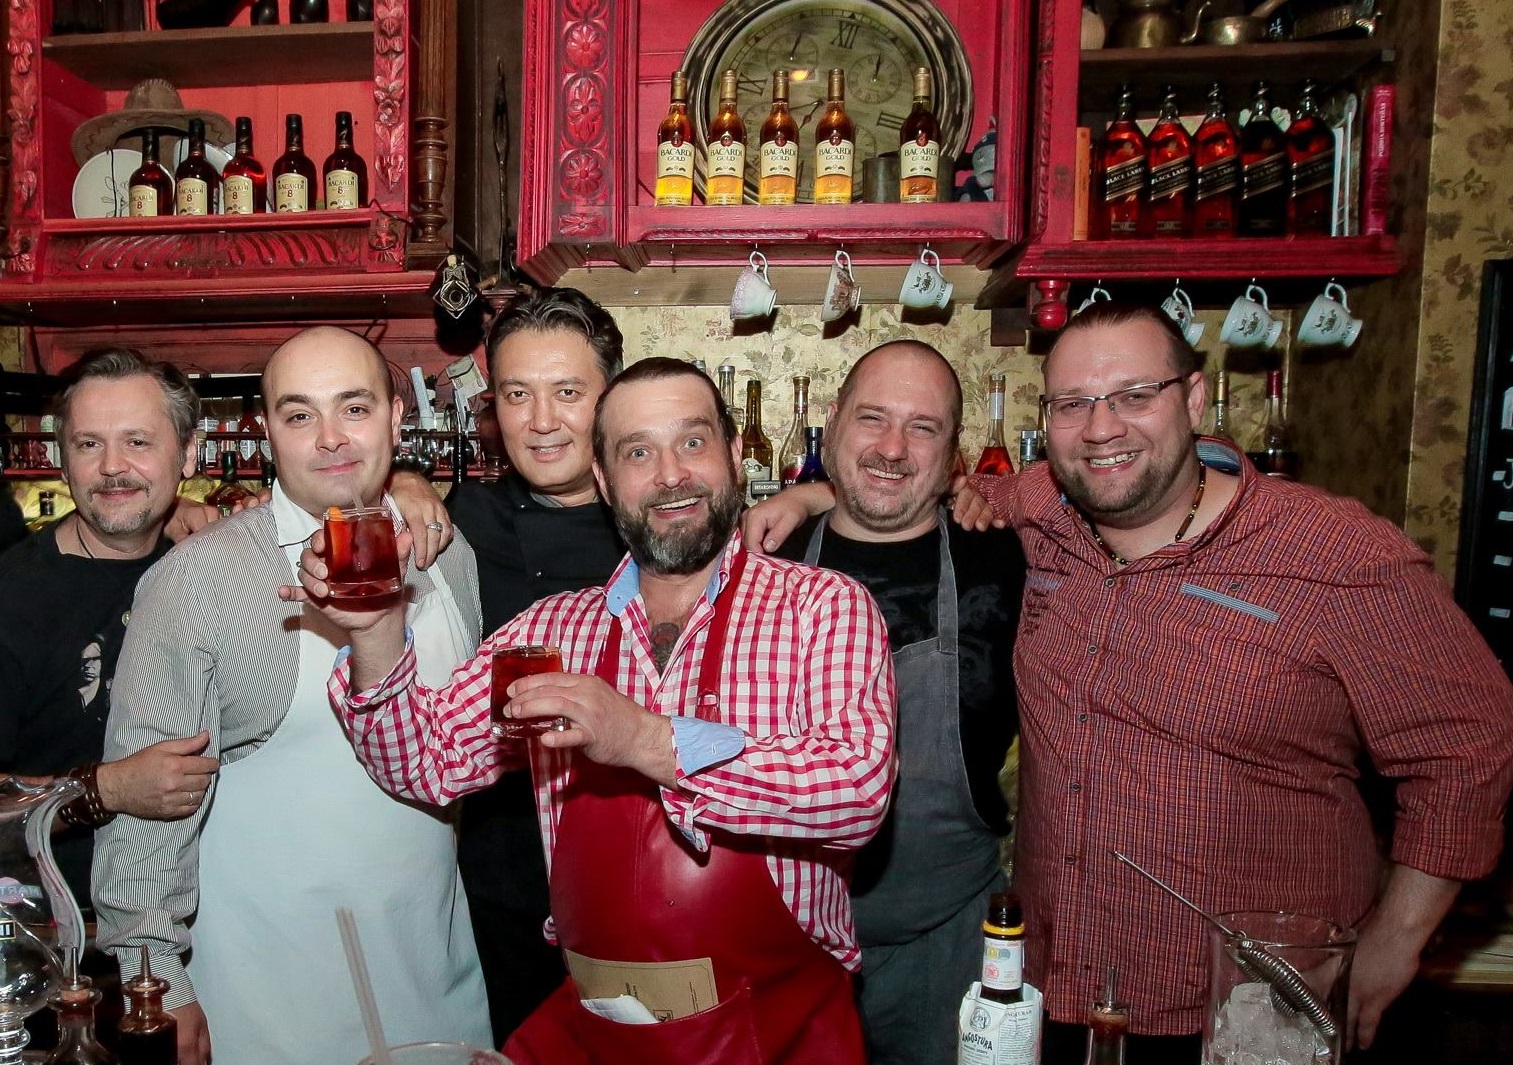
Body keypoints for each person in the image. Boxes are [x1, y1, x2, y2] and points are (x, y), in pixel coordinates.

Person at [746, 301, 1513, 1065]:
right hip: (1062, 992)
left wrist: (1396, 938)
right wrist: (810, 496)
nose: (1101, 427)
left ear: (1193, 398)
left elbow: (1470, 742)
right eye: (1072, 404)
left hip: (1246, 1008)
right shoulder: (1040, 516)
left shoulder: (1334, 552)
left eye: (1134, 395)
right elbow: (898, 490)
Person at [299, 356, 898, 1065]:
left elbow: (857, 791)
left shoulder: (821, 607)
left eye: (692, 441)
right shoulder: (550, 633)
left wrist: (645, 739)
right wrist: (374, 636)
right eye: (637, 452)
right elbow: (424, 763)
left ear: (735, 455)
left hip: (781, 1031)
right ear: (606, 482)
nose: (670, 474)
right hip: (603, 1030)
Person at [92, 327, 490, 1065]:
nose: (331, 438)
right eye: (300, 414)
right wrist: (156, 976)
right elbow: (149, 801)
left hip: (435, 972)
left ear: (397, 419)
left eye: (354, 408)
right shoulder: (200, 578)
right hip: (266, 997)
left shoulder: (447, 556)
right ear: (269, 433)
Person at [769, 340, 1023, 1065]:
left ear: (953, 455)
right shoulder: (764, 560)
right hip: (787, 946)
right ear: (832, 423)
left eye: (922, 427)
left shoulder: (1007, 560)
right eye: (872, 418)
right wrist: (804, 495)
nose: (891, 447)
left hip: (948, 948)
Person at [393, 286, 627, 1043]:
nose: (542, 420)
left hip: (634, 877)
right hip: (500, 878)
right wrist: (397, 478)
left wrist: (808, 496)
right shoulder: (465, 516)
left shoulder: (662, 525)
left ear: (613, 397)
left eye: (568, 392)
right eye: (518, 394)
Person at [0, 349, 222, 910]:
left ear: (188, 454)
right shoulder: (13, 597)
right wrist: (108, 790)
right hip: (60, 936)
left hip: (209, 924)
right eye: (88, 444)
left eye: (138, 441)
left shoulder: (211, 568)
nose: (112, 466)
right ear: (62, 459)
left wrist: (406, 488)